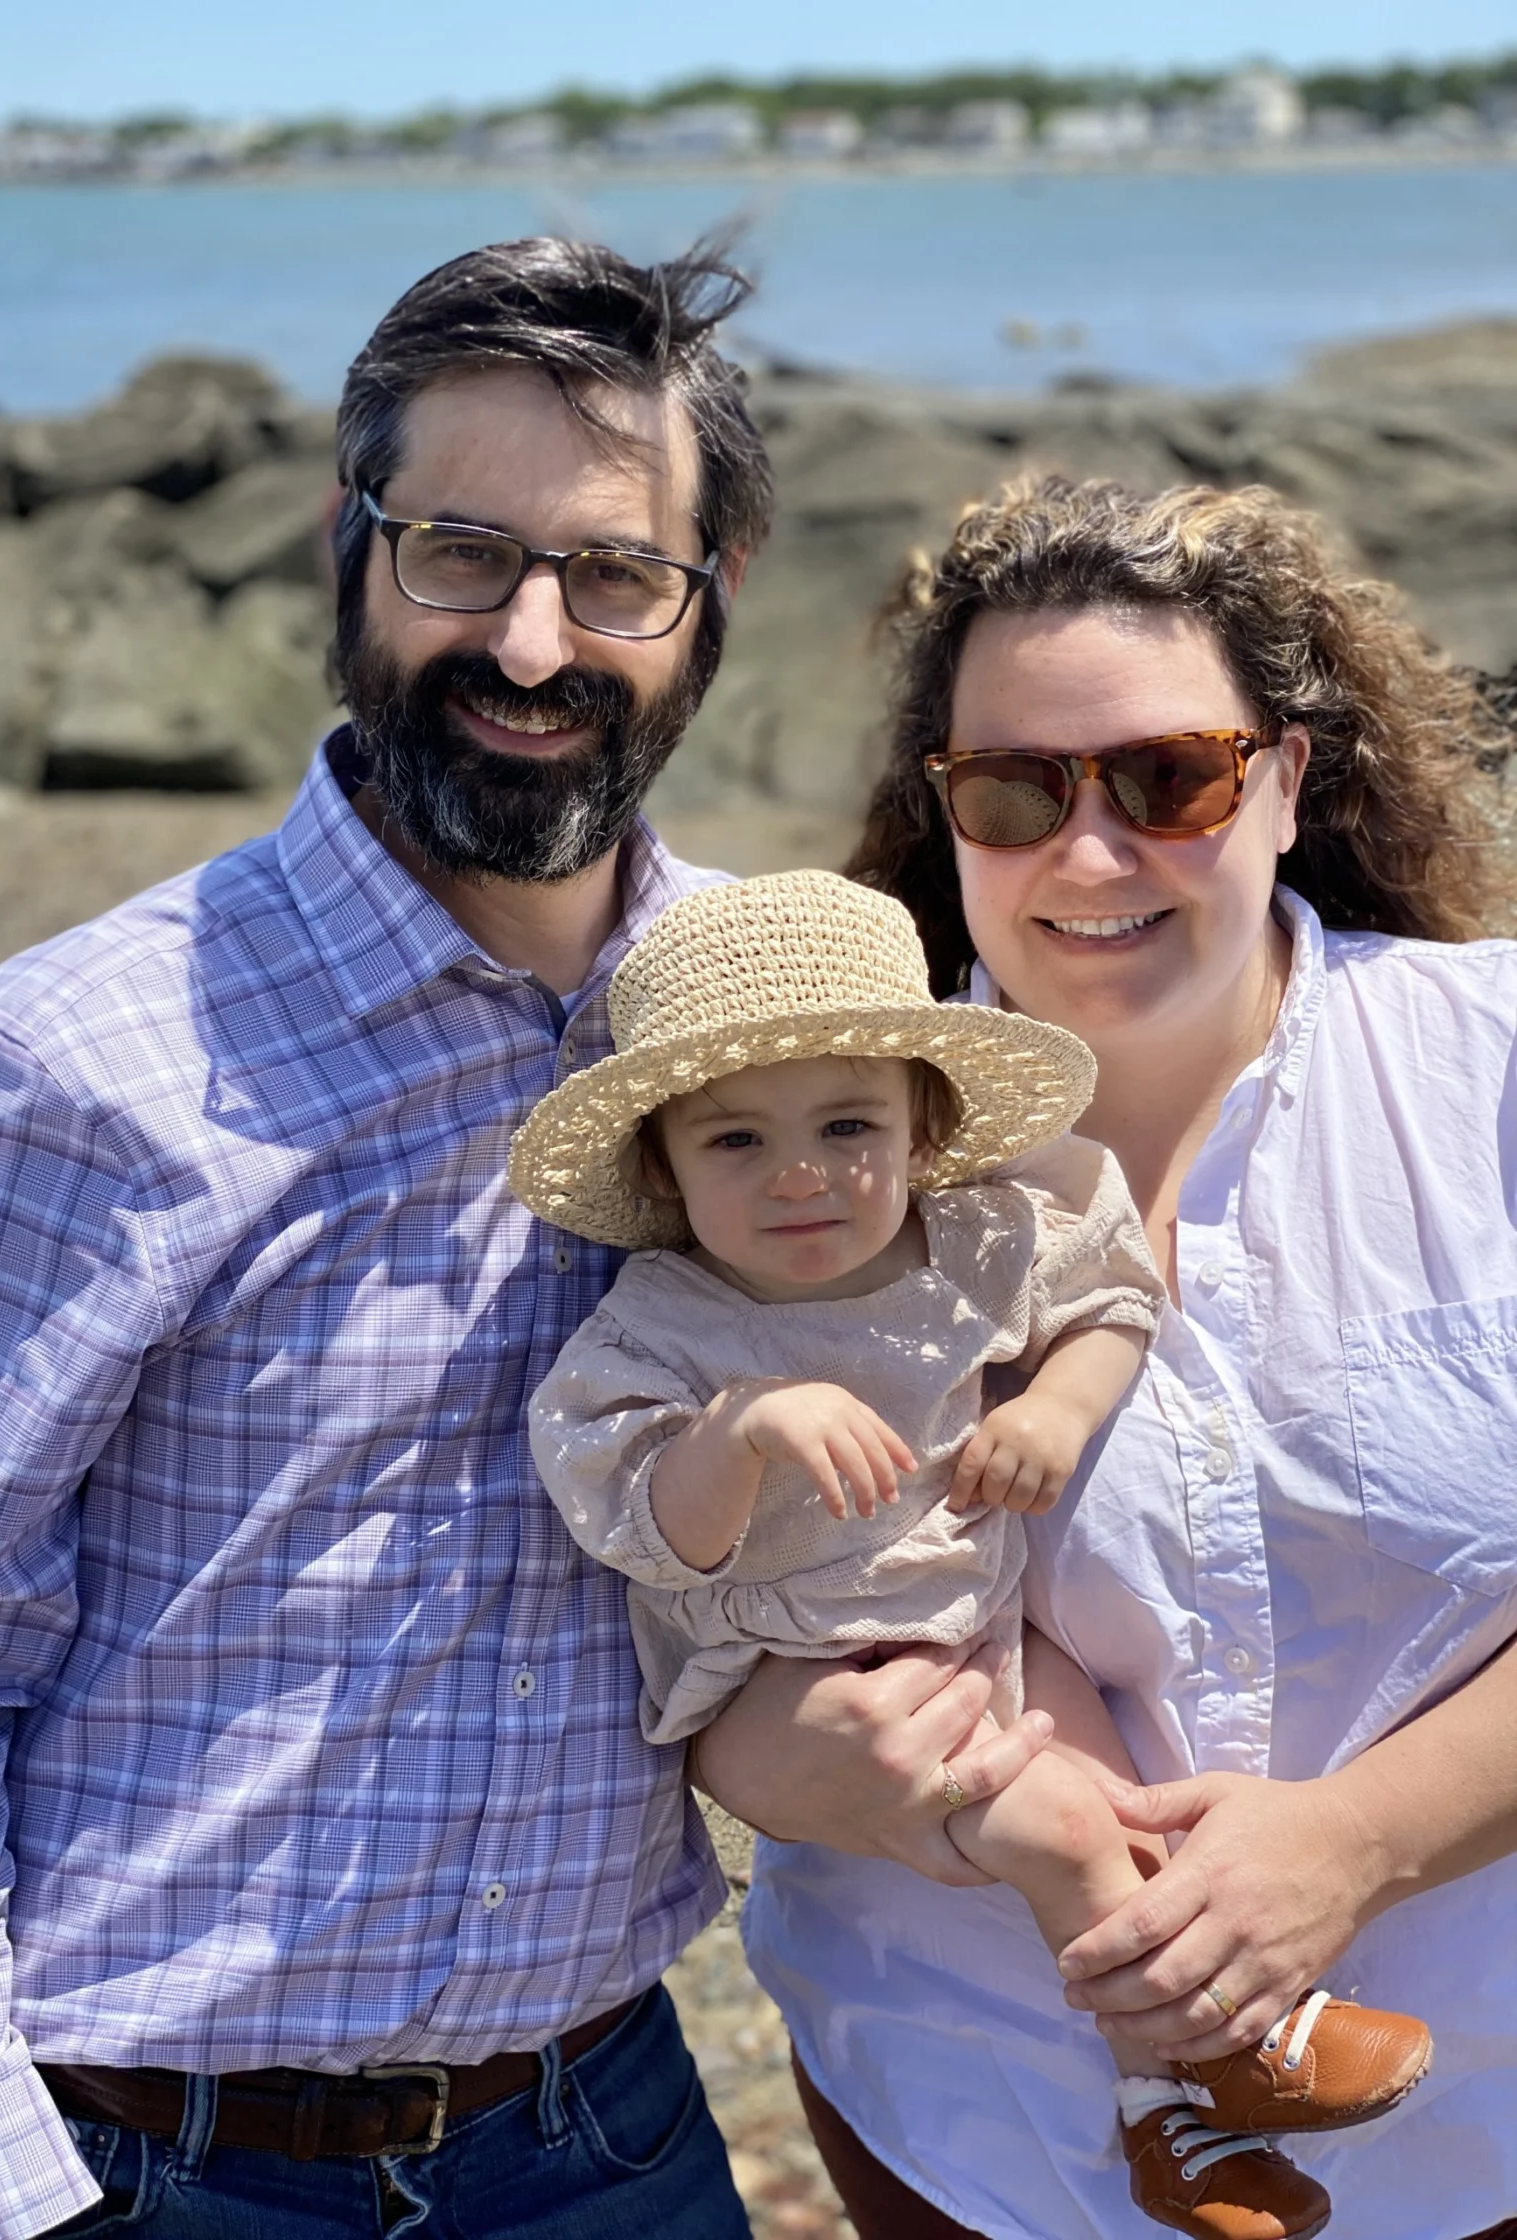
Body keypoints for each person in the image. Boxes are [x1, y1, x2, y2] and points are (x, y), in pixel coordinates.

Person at [0, 234, 942, 2240]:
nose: (531, 642)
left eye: (612, 573)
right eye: (460, 551)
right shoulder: (89, 1056)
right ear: (349, 549)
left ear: (707, 613)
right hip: (152, 2166)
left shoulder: (771, 1039)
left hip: (609, 2129)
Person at [689, 473, 1517, 2240]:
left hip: (1493, 2120)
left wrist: (1356, 1841)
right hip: (976, 2118)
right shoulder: (786, 1153)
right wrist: (765, 1755)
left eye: (1170, 780)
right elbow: (652, 1578)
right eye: (1014, 790)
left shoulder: (1497, 1075)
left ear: (1290, 779)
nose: (1087, 854)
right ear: (948, 811)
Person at [510, 866, 1432, 2237]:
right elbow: (642, 1521)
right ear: (663, 1165)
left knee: (1122, 1814)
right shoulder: (668, 1324)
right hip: (789, 1670)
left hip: (981, 1630)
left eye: (846, 1124)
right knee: (1066, 1829)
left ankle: (1168, 2123)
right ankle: (1247, 2040)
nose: (803, 1175)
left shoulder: (974, 1243)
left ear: (926, 1124)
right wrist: (745, 1426)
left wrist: (1058, 1406)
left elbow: (1113, 1293)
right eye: (736, 1144)